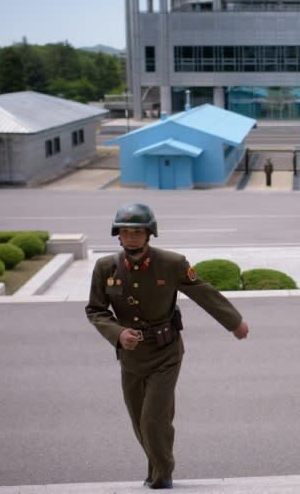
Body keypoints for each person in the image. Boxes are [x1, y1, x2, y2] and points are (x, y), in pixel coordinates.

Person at [85, 203, 249, 490]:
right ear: (118, 236)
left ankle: (163, 474)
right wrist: (118, 332)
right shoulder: (106, 268)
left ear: (150, 234)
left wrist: (234, 322)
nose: (131, 238)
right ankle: (155, 469)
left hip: (166, 352)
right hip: (131, 356)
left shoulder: (171, 263)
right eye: (125, 232)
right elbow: (96, 310)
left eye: (138, 232)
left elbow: (203, 293)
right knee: (140, 421)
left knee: (152, 419)